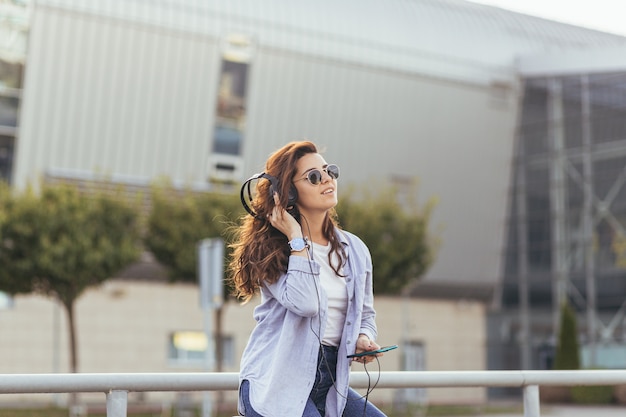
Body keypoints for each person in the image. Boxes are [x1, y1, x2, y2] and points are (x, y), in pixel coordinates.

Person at [229, 141, 388, 417]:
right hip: (274, 382)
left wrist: (363, 337)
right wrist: (295, 238)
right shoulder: (273, 250)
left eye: (329, 171)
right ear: (288, 193)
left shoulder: (355, 250)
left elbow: (366, 315)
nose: (327, 179)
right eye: (314, 177)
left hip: (329, 384)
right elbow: (307, 303)